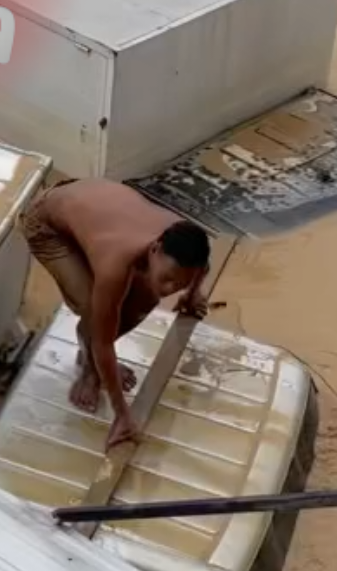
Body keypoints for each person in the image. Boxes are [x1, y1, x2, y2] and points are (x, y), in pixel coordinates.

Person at [20, 178, 211, 449]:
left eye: (179, 283)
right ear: (155, 249)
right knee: (95, 308)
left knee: (145, 296)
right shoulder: (116, 264)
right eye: (167, 278)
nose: (170, 289)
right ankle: (89, 369)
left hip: (96, 211)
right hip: (48, 223)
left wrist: (191, 297)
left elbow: (202, 268)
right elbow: (104, 341)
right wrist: (122, 414)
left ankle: (98, 363)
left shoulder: (187, 247)